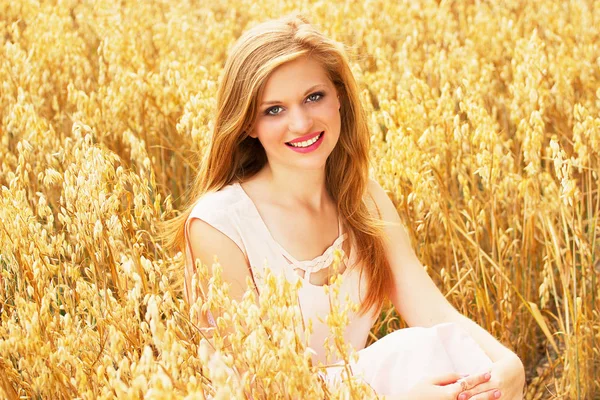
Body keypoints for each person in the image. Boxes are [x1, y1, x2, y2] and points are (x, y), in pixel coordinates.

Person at [163, 14, 526, 399]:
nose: (301, 123)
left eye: (313, 97)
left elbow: (436, 314)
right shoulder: (217, 225)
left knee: (431, 354)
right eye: (274, 110)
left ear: (339, 97)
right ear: (248, 123)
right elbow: (258, 388)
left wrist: (508, 366)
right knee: (413, 355)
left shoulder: (363, 198)